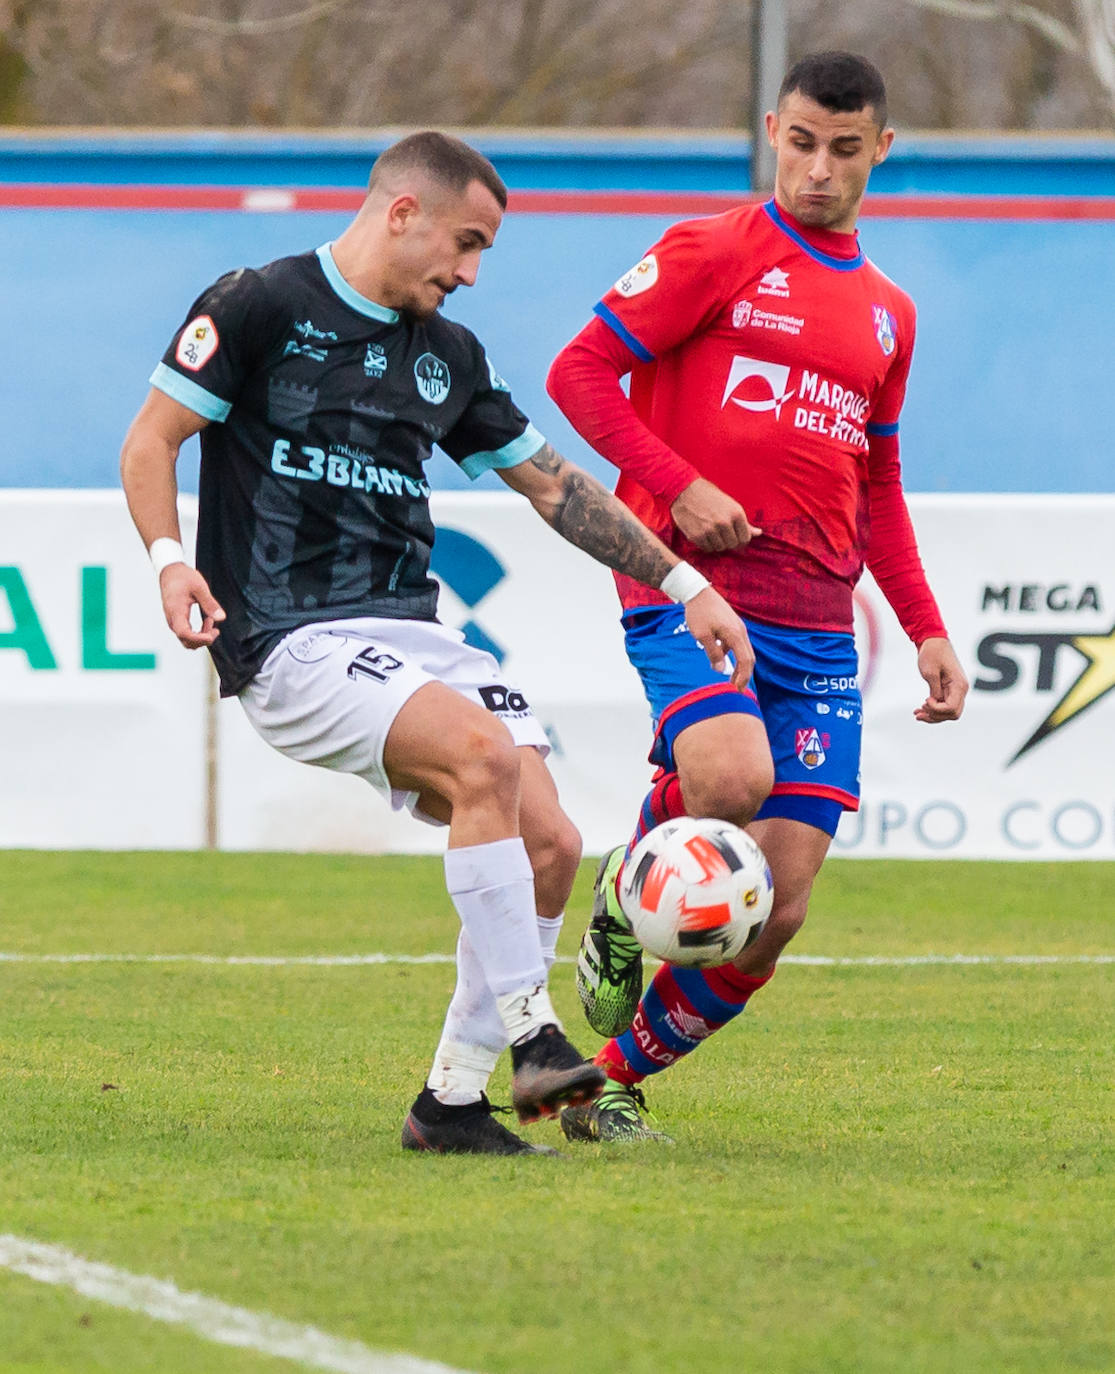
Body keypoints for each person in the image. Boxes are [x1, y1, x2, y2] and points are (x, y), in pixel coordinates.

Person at [120, 131, 755, 1156]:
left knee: (550, 843)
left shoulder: (446, 357)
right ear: (399, 211)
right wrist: (166, 558)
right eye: (464, 245)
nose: (467, 273)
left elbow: (554, 485)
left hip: (412, 634)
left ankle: (450, 1103)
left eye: (482, 256)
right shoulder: (258, 304)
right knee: (481, 759)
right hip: (289, 637)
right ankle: (533, 1035)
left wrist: (684, 583)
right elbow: (149, 439)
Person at [547, 52, 969, 1144]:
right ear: (770, 130)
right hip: (696, 588)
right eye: (799, 143)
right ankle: (622, 892)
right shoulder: (715, 249)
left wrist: (922, 627)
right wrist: (679, 491)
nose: (817, 170)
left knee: (774, 912)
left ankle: (604, 1083)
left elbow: (875, 480)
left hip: (820, 615)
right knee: (728, 779)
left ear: (879, 151)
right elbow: (577, 373)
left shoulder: (887, 315)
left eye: (843, 150)